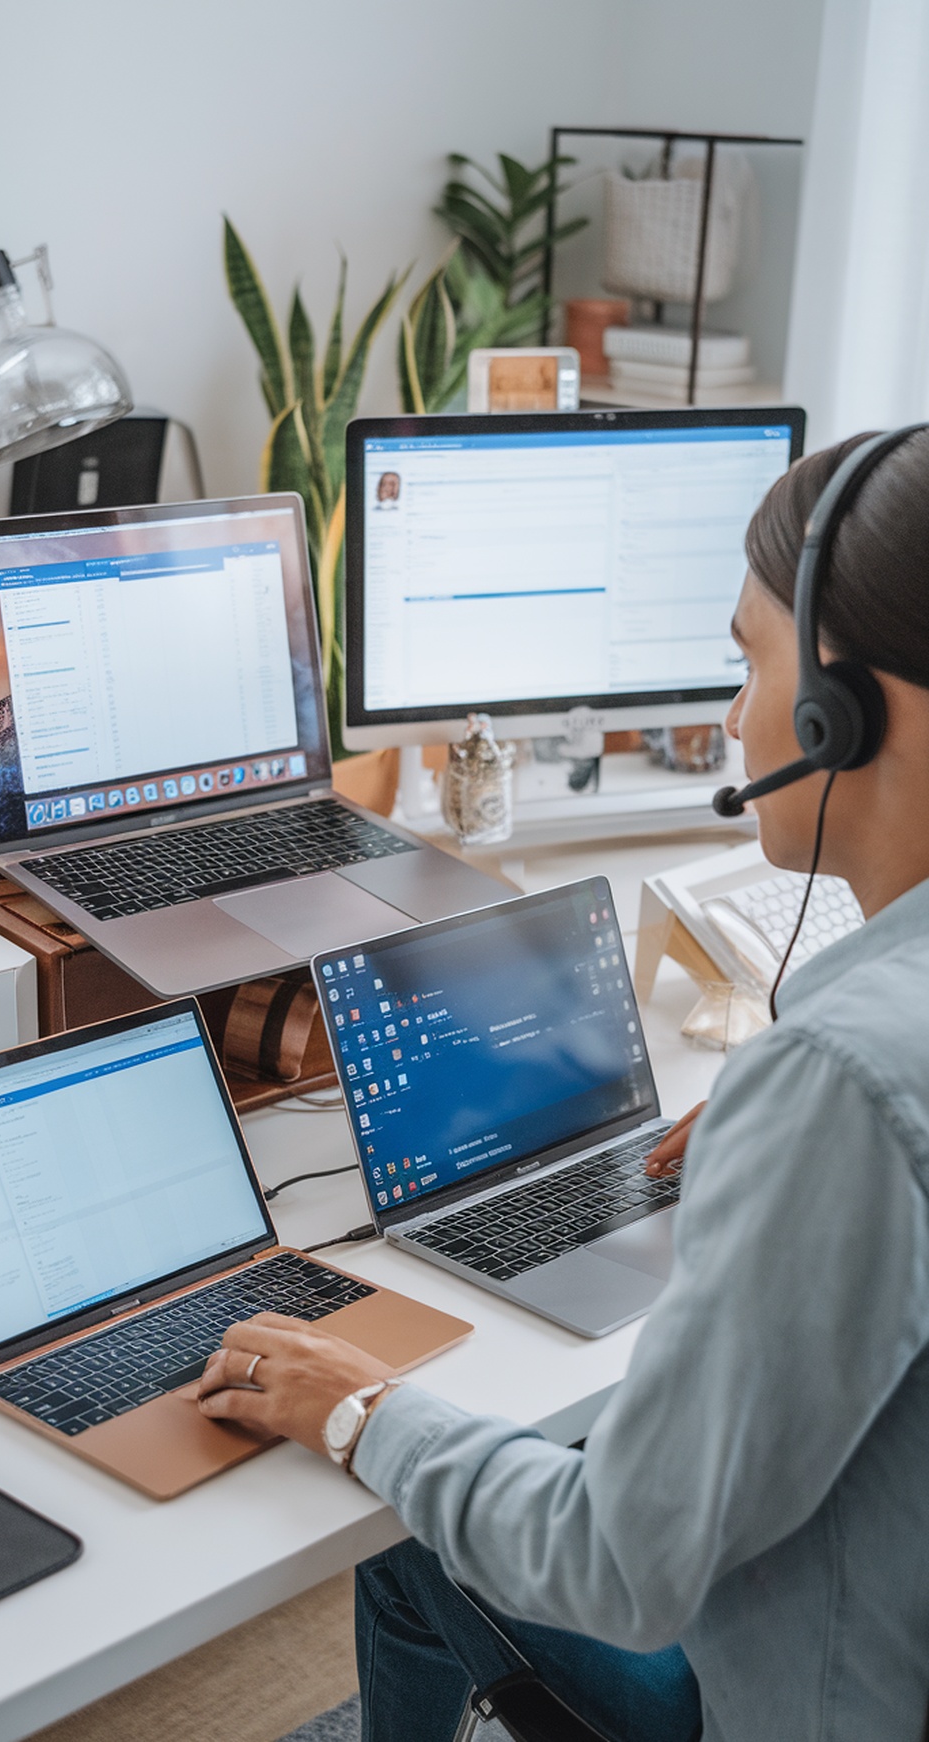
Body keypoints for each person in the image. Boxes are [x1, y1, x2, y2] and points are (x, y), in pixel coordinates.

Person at [198, 429, 929, 1741]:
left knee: (409, 1514)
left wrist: (361, 1406)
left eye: (751, 661)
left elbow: (617, 1560)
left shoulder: (845, 1083)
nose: (734, 716)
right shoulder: (856, 1075)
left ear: (849, 712)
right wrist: (794, 1157)